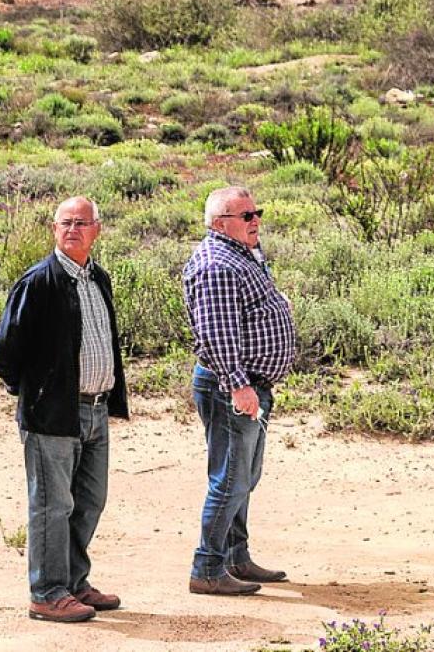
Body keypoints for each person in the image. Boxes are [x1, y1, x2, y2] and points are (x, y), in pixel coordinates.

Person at [0, 195, 129, 623]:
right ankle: (47, 592)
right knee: (52, 505)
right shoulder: (38, 281)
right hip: (52, 415)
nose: (73, 229)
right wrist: (35, 392)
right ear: (54, 230)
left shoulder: (98, 279)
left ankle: (72, 582)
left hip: (95, 410)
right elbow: (5, 352)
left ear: (97, 229)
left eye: (81, 223)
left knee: (89, 501)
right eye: (65, 223)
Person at [183, 185, 297, 595]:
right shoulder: (217, 264)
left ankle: (236, 557)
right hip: (232, 387)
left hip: (247, 386)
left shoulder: (241, 255)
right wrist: (239, 385)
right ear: (220, 223)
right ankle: (208, 567)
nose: (256, 221)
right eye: (246, 216)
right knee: (230, 478)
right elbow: (217, 334)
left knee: (244, 476)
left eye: (256, 213)